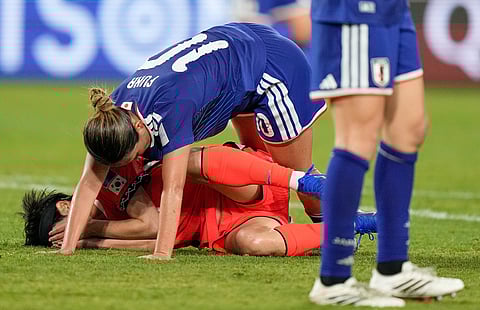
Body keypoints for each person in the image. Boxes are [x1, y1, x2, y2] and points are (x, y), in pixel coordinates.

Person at [59, 22, 328, 259]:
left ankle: (335, 232)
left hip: (274, 68)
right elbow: (88, 183)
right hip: (238, 59)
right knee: (258, 158)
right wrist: (68, 248)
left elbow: (173, 190)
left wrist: (162, 253)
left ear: (140, 128)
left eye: (134, 156)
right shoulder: (111, 116)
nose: (132, 165)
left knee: (299, 175)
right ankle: (281, 223)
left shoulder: (171, 109)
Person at [307, 0, 464, 307]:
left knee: (409, 128)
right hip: (354, 10)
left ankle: (393, 268)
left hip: (392, 9)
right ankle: (333, 279)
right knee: (358, 135)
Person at [20, 144, 377, 255]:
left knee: (189, 162)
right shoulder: (104, 234)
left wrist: (90, 229)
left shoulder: (108, 180)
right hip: (226, 227)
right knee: (254, 244)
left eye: (60, 230)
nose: (65, 236)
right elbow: (159, 239)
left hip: (236, 183)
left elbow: (153, 223)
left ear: (66, 208)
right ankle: (351, 227)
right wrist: (93, 241)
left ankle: (304, 181)